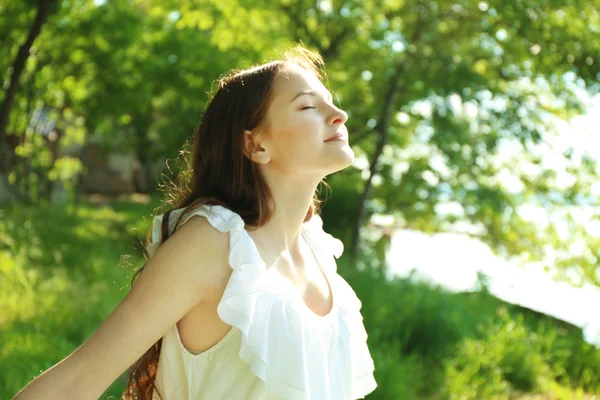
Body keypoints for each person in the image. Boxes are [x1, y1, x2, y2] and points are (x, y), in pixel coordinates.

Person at [13, 45, 377, 400]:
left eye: (330, 100)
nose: (339, 114)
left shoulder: (317, 250)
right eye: (309, 106)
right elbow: (76, 381)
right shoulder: (215, 245)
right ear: (255, 145)